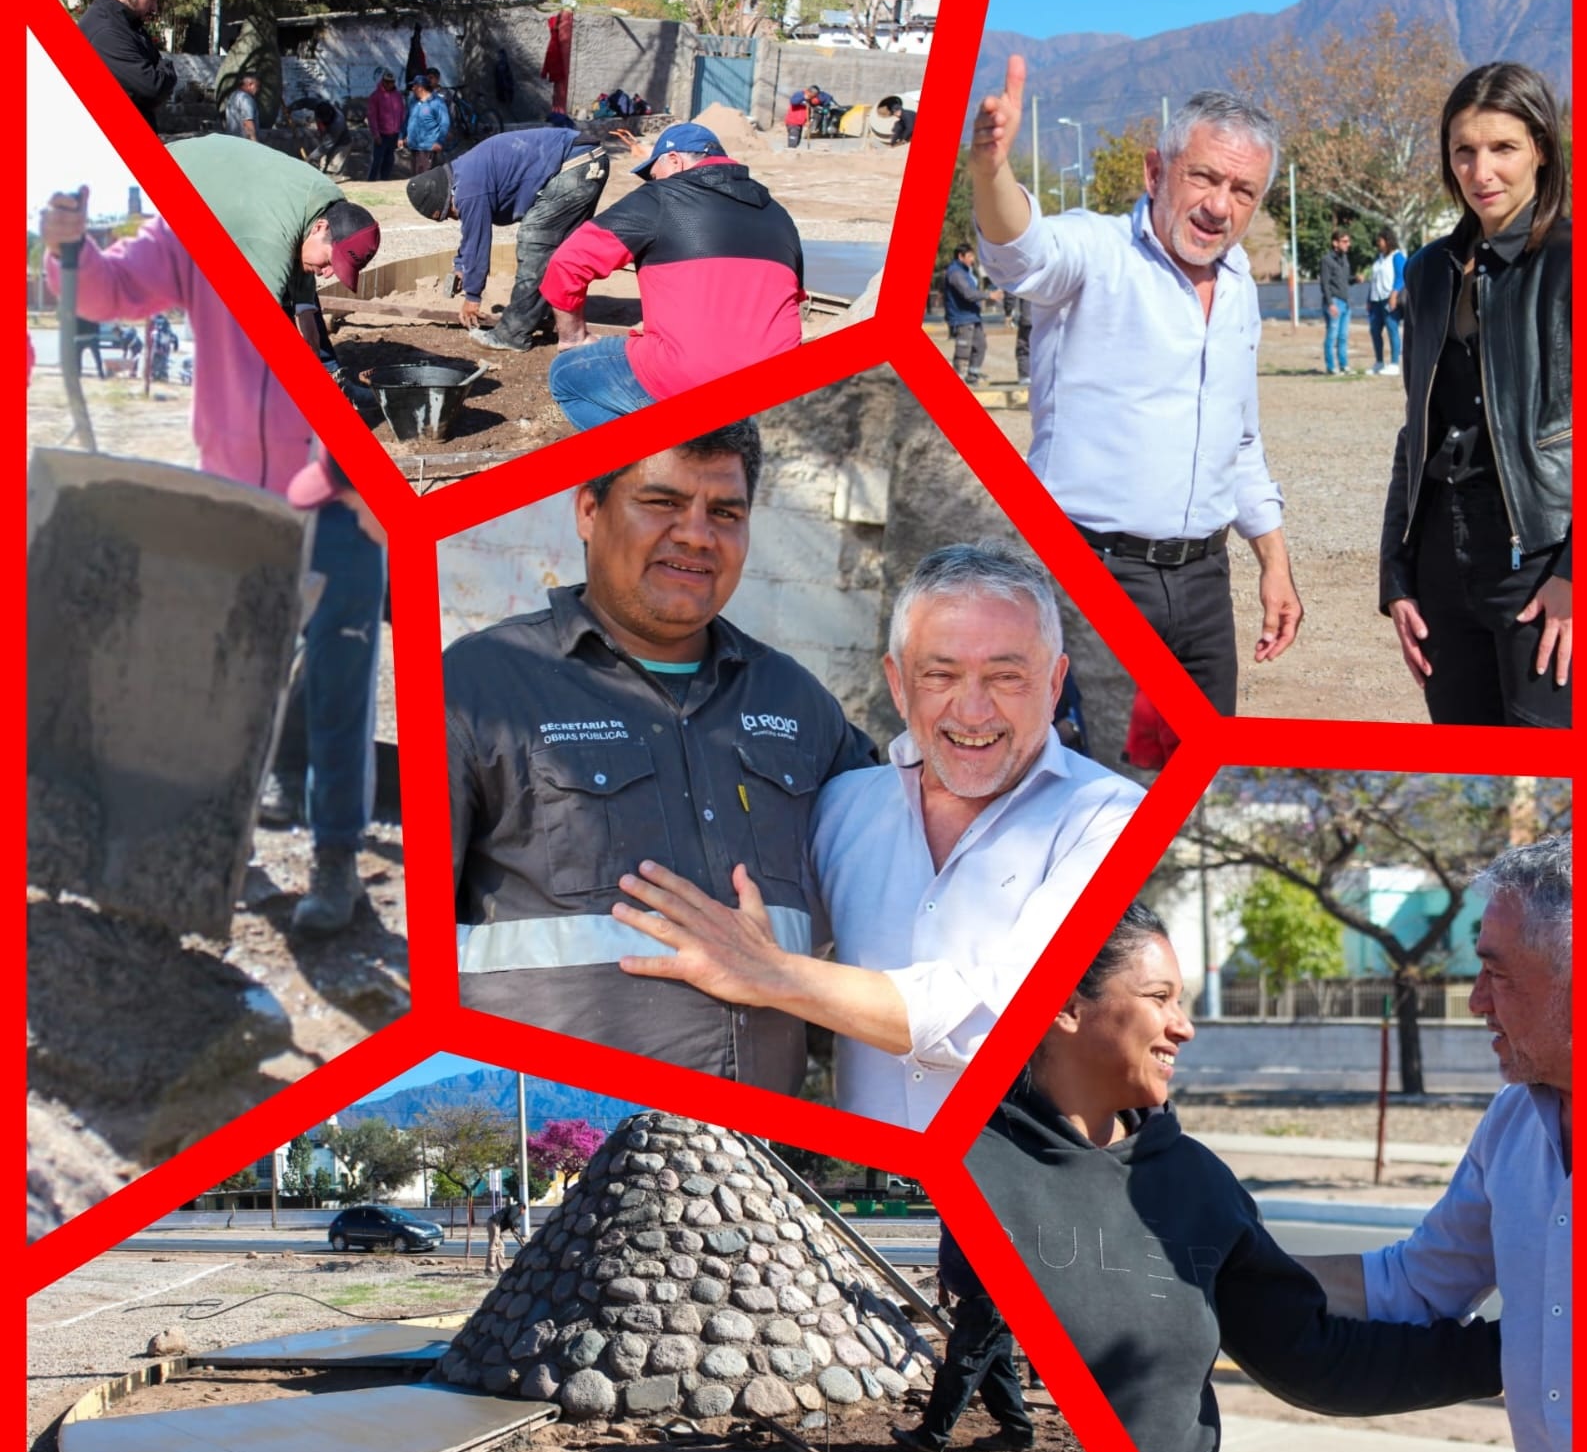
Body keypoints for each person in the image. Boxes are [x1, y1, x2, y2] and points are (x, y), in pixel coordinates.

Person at [967, 902, 1505, 1452]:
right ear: (1064, 1006)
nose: (1184, 1025)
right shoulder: (971, 1168)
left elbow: (1314, 1359)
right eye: (1160, 997)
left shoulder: (1194, 1181)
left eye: (1182, 999)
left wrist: (1519, 1353)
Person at [610, 541, 1144, 1130]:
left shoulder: (1110, 816)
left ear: (1053, 681)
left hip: (1023, 1193)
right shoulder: (844, 806)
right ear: (897, 682)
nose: (971, 711)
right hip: (872, 1191)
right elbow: (760, 946)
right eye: (940, 674)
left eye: (1006, 676)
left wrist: (774, 974)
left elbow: (1001, 1020)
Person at [446, 421, 877, 1094]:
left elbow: (897, 861)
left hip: (748, 1157)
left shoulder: (797, 702)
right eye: (662, 502)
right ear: (589, 511)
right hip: (558, 1137)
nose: (697, 535)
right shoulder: (479, 687)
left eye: (724, 513)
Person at [39, 187, 386, 936]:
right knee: (228, 665)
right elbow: (109, 291)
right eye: (332, 260)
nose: (329, 277)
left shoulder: (300, 283)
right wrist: (71, 249)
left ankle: (335, 856)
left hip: (337, 506)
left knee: (338, 674)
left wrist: (342, 471)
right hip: (235, 500)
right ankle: (212, 833)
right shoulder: (197, 238)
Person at [968, 60, 1303, 716]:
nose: (1218, 205)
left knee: (1197, 777)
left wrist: (1274, 563)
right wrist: (989, 171)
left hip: (1204, 585)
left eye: (1242, 190)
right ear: (1156, 171)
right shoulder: (1097, 252)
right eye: (1203, 176)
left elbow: (1238, 441)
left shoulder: (1237, 287)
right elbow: (1022, 250)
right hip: (1089, 574)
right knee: (1099, 788)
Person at [1295, 834, 1571, 1452]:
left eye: (1496, 973)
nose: (1475, 1000)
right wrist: (1233, 1269)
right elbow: (1416, 1283)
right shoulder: (1512, 1123)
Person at [1379, 61, 1571, 729]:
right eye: (1463, 150)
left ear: (1542, 149)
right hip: (1440, 557)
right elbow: (1415, 430)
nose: (1479, 170)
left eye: (1502, 148)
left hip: (1543, 560)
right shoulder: (1429, 270)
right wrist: (1396, 576)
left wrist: (1576, 577)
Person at [542, 123, 804, 431]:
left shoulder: (662, 197)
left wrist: (574, 338)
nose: (652, 180)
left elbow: (567, 264)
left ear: (675, 161)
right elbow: (779, 301)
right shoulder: (779, 216)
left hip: (690, 379)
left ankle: (649, 464)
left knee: (566, 375)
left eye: (653, 172)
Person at [404, 128, 610, 350]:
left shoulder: (468, 190)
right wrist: (460, 266)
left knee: (535, 239)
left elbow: (478, 241)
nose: (456, 217)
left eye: (451, 213)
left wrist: (473, 297)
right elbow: (471, 234)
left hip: (574, 165)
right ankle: (547, 310)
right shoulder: (464, 173)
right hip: (586, 160)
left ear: (448, 196)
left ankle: (513, 334)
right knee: (557, 250)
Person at [167, 135, 380, 315]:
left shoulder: (324, 201)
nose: (327, 273)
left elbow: (302, 245)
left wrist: (305, 311)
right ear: (320, 228)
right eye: (329, 262)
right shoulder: (269, 238)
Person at [890, 1224, 1033, 1452]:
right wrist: (944, 1280)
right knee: (996, 1371)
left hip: (984, 1304)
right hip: (989, 1302)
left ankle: (930, 1436)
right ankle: (1017, 1432)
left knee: (958, 1369)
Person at [78, 0, 176, 131]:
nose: (154, 8)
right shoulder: (106, 30)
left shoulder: (126, 23)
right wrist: (166, 66)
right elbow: (151, 88)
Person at [943, 244, 992, 384]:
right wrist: (989, 295)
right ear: (961, 256)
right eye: (970, 256)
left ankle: (972, 375)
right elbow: (968, 294)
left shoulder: (965, 271)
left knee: (980, 345)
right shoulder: (955, 273)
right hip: (962, 317)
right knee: (963, 350)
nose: (973, 259)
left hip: (972, 316)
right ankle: (959, 378)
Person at [1366, 227, 1405, 374]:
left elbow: (1402, 277)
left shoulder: (1397, 256)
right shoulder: (1379, 258)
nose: (1378, 243)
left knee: (1392, 329)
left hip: (1389, 299)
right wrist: (1369, 299)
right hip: (1376, 300)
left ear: (1388, 241)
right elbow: (1374, 279)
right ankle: (1379, 362)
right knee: (1374, 330)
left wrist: (1394, 295)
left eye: (1380, 240)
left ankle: (1394, 363)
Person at [1318, 227, 1352, 375]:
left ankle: (1344, 365)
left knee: (1343, 336)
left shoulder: (1344, 260)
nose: (1348, 244)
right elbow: (1324, 283)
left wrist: (1355, 279)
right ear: (1335, 243)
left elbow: (1344, 280)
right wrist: (1330, 303)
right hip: (1334, 302)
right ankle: (1331, 367)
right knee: (1332, 335)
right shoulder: (1326, 260)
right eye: (1344, 241)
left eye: (1348, 241)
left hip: (1345, 302)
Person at [401, 74, 450, 173]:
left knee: (425, 178)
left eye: (414, 86)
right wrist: (401, 136)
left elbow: (445, 123)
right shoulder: (413, 101)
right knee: (415, 178)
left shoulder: (437, 103)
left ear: (421, 88)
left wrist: (439, 141)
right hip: (414, 146)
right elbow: (407, 120)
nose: (413, 88)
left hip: (428, 147)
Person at [366, 68, 406, 181]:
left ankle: (385, 181)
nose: (389, 84)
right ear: (383, 81)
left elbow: (402, 113)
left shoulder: (398, 96)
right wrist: (376, 134)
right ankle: (371, 181)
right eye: (386, 81)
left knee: (389, 160)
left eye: (391, 82)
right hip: (382, 134)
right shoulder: (375, 96)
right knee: (377, 160)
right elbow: (372, 116)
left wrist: (401, 134)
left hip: (394, 133)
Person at [483, 1197, 526, 1276]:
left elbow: (511, 1222)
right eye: (524, 1211)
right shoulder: (516, 1209)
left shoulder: (513, 1210)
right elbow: (510, 1219)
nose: (524, 1213)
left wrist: (515, 1230)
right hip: (494, 1223)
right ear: (522, 1208)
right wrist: (513, 1227)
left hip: (496, 1226)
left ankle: (502, 1269)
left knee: (501, 1247)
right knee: (494, 1245)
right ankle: (490, 1269)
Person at [1002, 291, 1032, 382]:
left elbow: (1010, 290)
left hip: (1029, 316)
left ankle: (1025, 376)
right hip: (1048, 317)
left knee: (1024, 347)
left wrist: (1008, 312)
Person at [224, 71, 262, 141]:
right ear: (250, 84)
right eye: (257, 86)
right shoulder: (246, 99)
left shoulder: (233, 95)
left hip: (231, 140)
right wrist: (254, 141)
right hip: (244, 142)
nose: (258, 90)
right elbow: (248, 121)